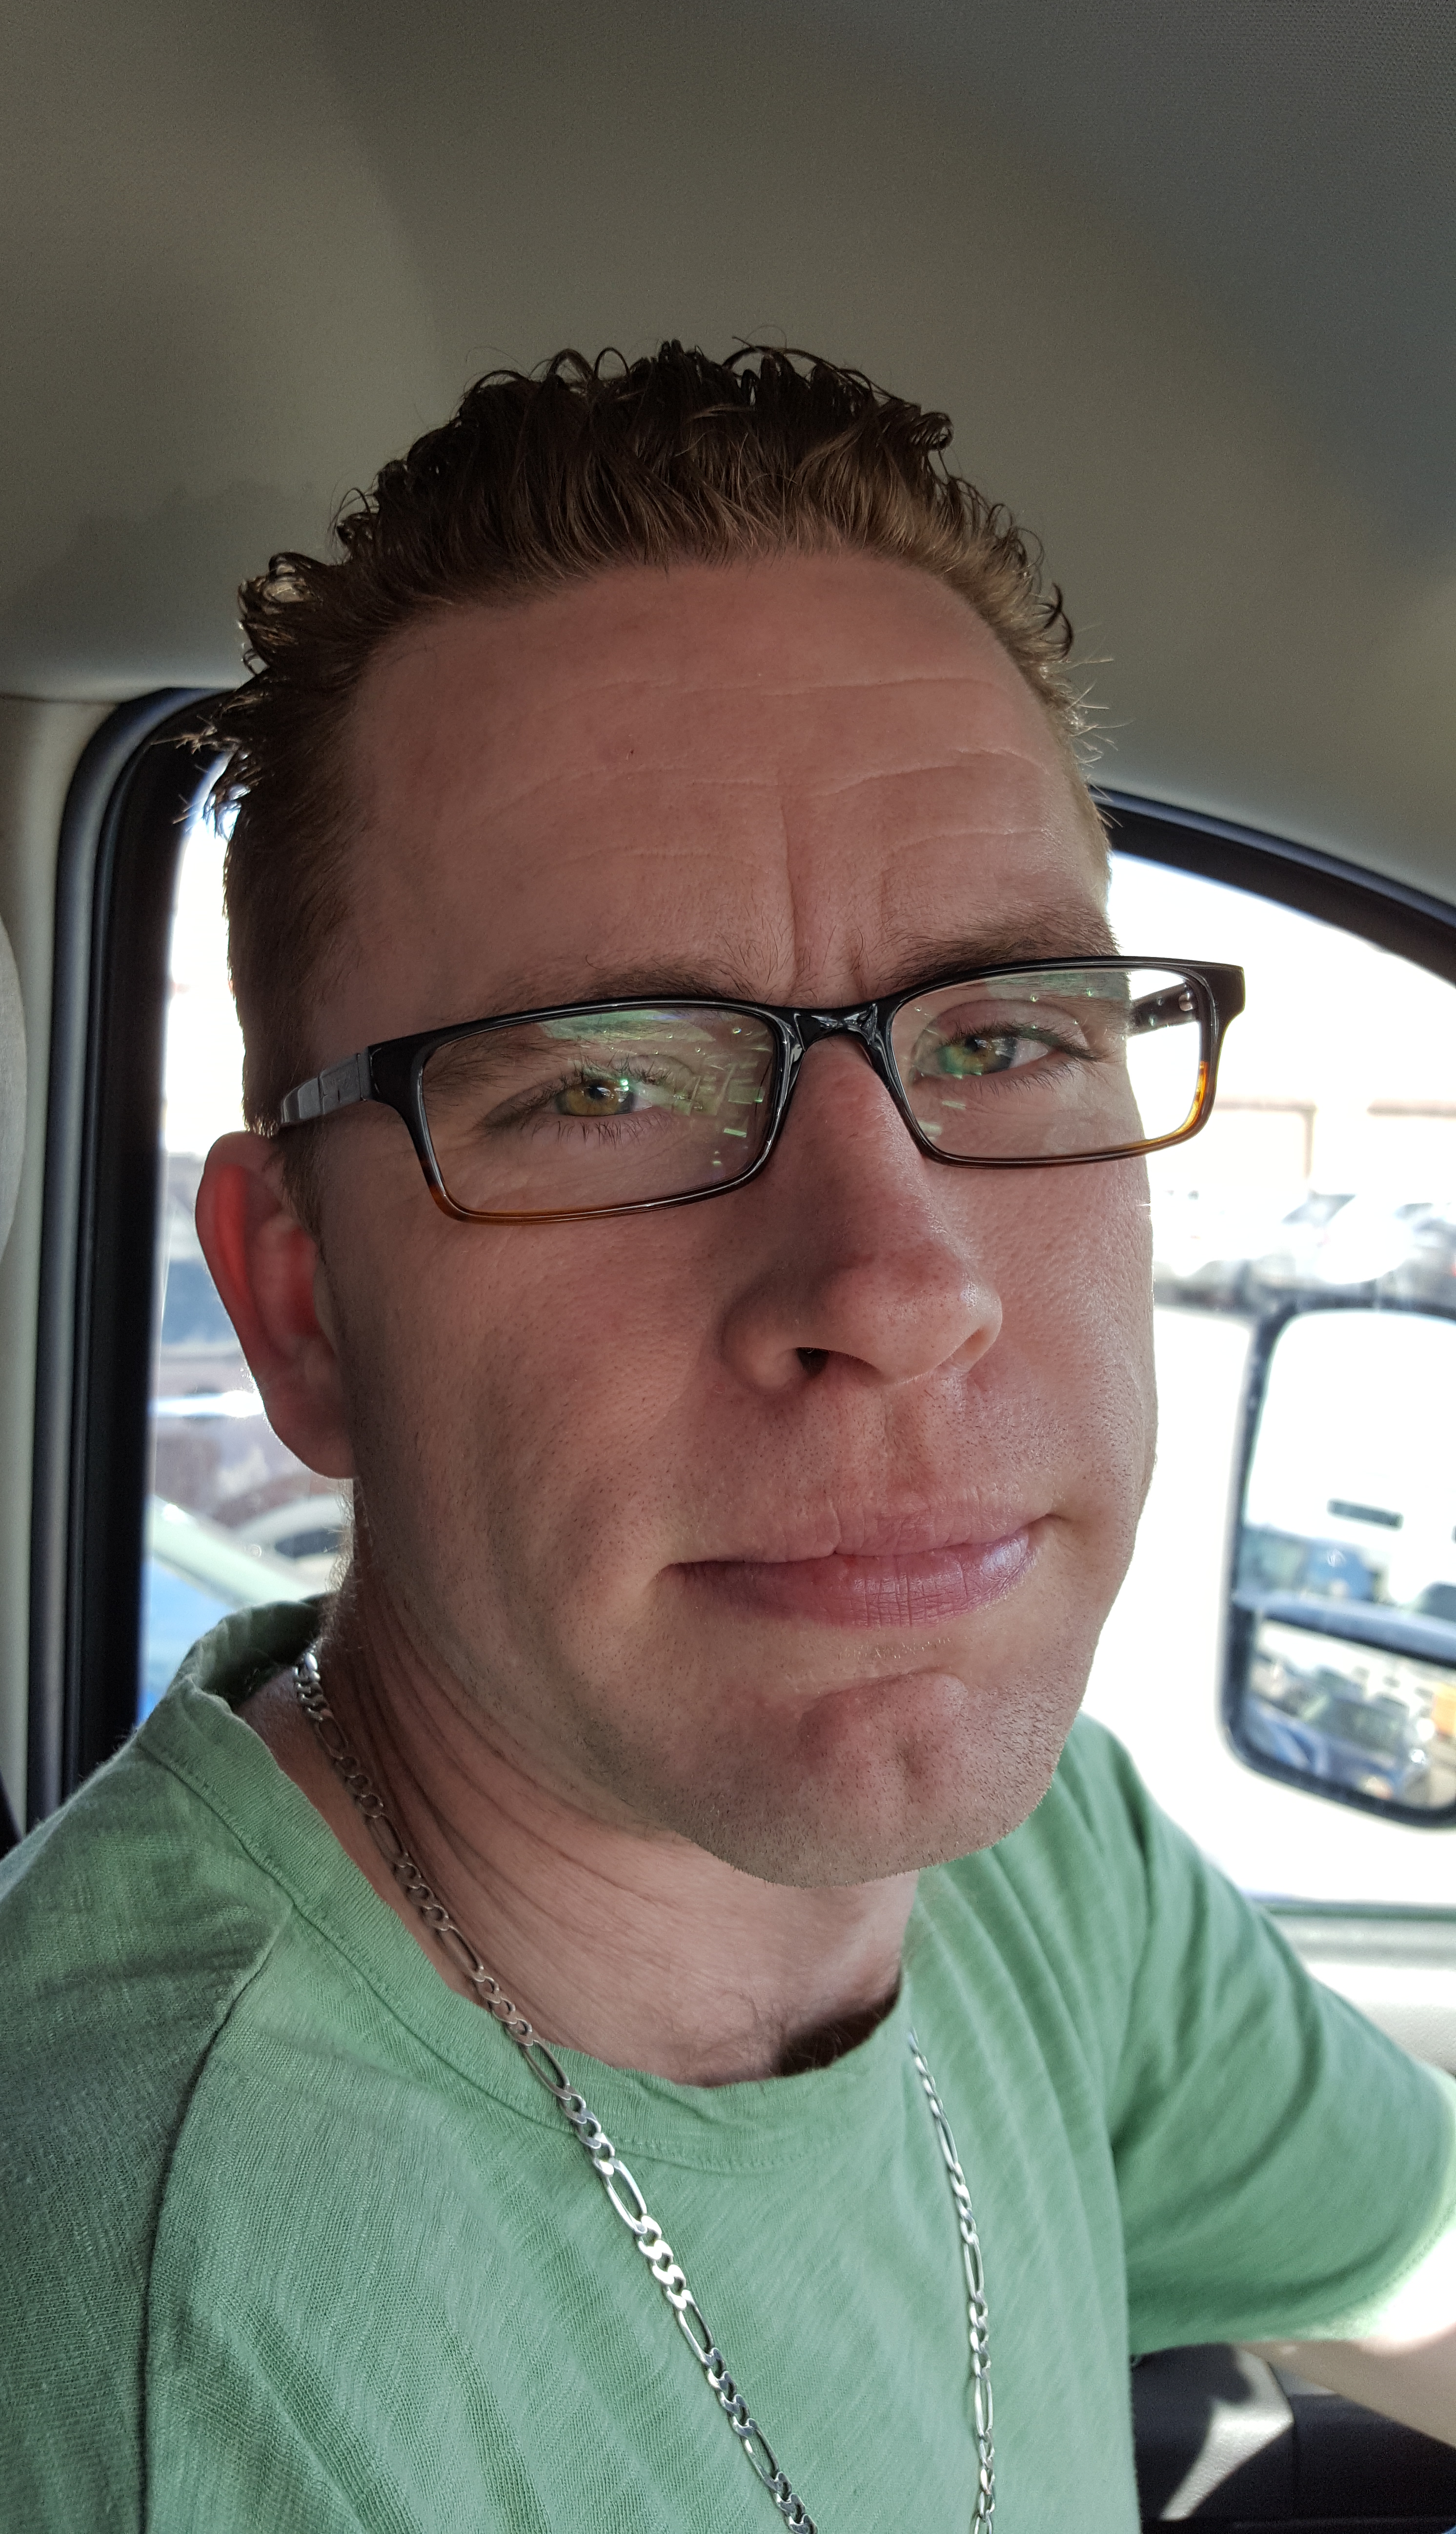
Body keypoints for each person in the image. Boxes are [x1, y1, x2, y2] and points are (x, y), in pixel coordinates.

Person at [2, 345, 1453, 2531]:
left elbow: (1421, 2259)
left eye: (1002, 1037)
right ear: (302, 1302)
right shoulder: (149, 2361)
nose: (896, 1283)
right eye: (605, 1082)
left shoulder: (1036, 1859)